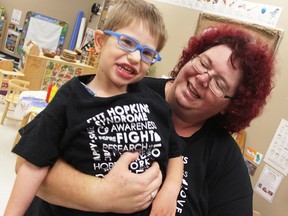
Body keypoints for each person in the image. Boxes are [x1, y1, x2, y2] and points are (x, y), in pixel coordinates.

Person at [15, 24, 275, 215]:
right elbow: (29, 159)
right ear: (190, 58)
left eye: (220, 84)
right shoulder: (122, 86)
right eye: (204, 63)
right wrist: (101, 195)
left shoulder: (225, 161)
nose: (203, 78)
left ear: (231, 106)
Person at [5, 0, 183, 215]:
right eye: (126, 42)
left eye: (147, 53)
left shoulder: (155, 103)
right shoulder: (71, 98)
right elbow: (34, 163)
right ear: (100, 41)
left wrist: (171, 189)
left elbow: (175, 153)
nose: (135, 57)